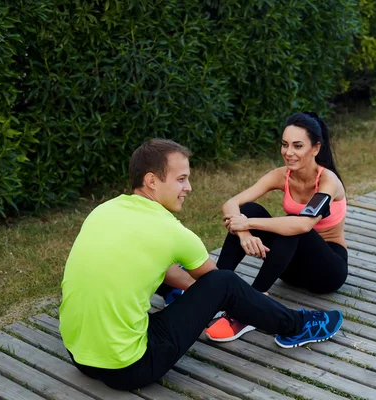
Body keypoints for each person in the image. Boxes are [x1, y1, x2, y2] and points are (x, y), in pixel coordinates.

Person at [58, 138, 343, 391]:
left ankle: (176, 298)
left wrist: (196, 296)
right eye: (181, 179)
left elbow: (175, 274)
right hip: (130, 367)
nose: (189, 188)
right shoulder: (171, 231)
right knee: (225, 282)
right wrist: (214, 297)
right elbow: (220, 287)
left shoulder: (104, 211)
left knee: (164, 273)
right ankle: (298, 326)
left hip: (78, 355)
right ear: (151, 181)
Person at [206, 112, 348, 342]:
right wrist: (243, 233)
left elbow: (303, 224)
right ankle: (213, 288)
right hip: (290, 269)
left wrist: (249, 223)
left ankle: (252, 306)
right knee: (251, 208)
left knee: (292, 227)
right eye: (284, 145)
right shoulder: (281, 175)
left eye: (297, 146)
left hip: (328, 270)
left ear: (315, 148)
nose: (288, 152)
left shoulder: (328, 181)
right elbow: (231, 203)